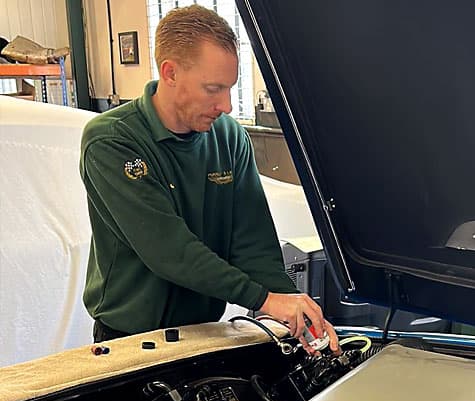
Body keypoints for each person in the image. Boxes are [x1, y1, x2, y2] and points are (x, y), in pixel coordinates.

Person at [79, 5, 339, 353]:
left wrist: (294, 308)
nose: (227, 105)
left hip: (203, 335)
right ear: (170, 73)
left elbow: (253, 243)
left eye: (230, 88)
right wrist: (266, 301)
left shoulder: (229, 138)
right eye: (213, 88)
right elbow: (170, 252)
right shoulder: (112, 142)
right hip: (132, 340)